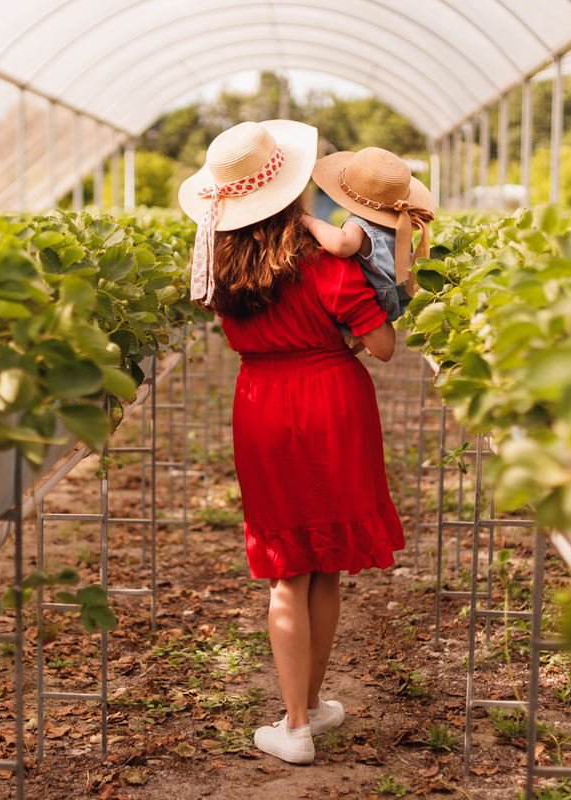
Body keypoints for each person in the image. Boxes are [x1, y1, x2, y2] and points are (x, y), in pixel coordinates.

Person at [179, 120, 406, 765]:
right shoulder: (325, 263)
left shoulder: (222, 264)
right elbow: (385, 348)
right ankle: (302, 713)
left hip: (263, 403)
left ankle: (299, 722)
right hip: (333, 396)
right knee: (325, 559)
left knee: (287, 567)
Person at [302, 147, 435, 346]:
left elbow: (341, 245)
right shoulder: (398, 223)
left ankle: (356, 341)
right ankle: (364, 342)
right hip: (395, 299)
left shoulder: (359, 223)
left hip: (372, 298)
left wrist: (310, 222)